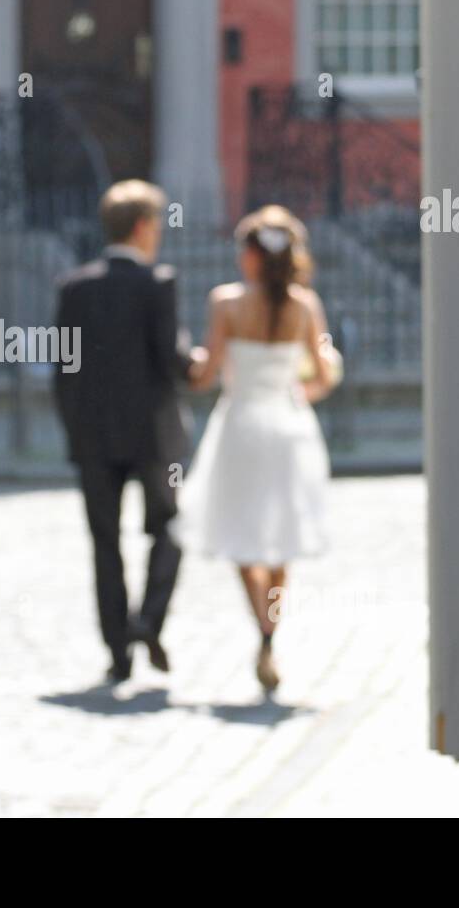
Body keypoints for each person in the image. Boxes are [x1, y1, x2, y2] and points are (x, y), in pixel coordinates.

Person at [173, 204, 336, 693]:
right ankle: (271, 632)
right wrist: (297, 390)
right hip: (288, 426)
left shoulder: (225, 303)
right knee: (281, 536)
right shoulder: (306, 306)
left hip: (241, 425)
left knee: (241, 534)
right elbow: (323, 375)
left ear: (250, 256)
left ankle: (262, 629)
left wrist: (186, 360)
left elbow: (203, 376)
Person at [54, 180, 204, 683]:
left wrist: (74, 429)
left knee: (104, 543)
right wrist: (196, 363)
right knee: (169, 529)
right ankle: (148, 620)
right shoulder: (157, 283)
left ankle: (118, 651)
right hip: (153, 435)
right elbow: (171, 360)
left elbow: (63, 368)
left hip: (93, 437)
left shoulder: (74, 287)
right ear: (142, 227)